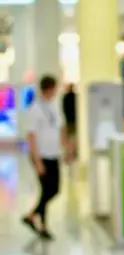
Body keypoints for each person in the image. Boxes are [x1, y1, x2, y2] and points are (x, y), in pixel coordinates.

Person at [22, 75, 71, 240]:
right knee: (46, 190)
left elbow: (61, 130)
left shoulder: (54, 107)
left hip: (53, 153)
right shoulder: (35, 109)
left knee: (54, 189)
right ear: (48, 89)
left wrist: (67, 149)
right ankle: (42, 226)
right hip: (41, 156)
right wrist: (37, 161)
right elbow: (31, 136)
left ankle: (31, 216)